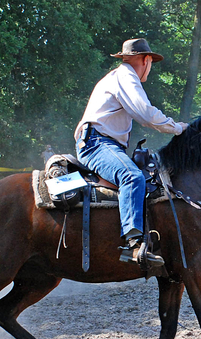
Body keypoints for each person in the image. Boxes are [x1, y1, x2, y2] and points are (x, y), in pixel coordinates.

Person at [74, 38, 189, 267]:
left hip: (101, 142)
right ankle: (134, 245)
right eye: (151, 62)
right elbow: (145, 113)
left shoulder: (117, 76)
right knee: (131, 176)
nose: (151, 67)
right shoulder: (126, 77)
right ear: (146, 60)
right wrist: (177, 128)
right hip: (97, 144)